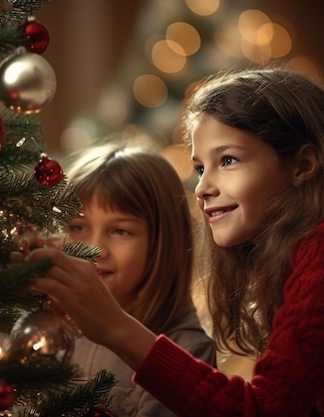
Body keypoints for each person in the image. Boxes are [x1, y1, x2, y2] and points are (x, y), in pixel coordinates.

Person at [26, 67, 324, 417]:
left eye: (228, 160)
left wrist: (113, 327)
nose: (202, 187)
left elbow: (266, 409)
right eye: (199, 167)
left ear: (303, 166)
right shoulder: (293, 252)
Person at [62, 143, 216, 416]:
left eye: (120, 231)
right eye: (78, 227)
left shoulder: (187, 353)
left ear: (162, 243)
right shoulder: (47, 331)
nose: (94, 249)